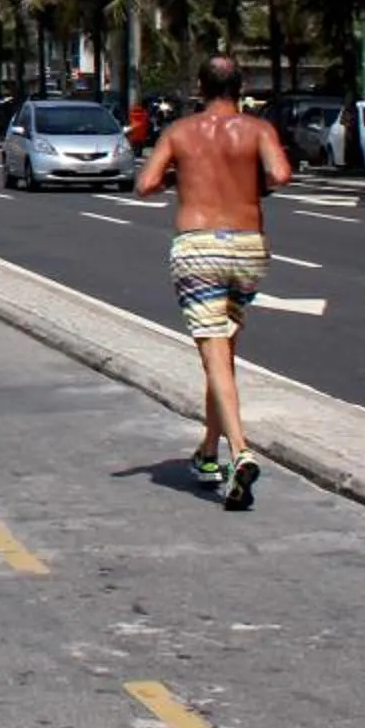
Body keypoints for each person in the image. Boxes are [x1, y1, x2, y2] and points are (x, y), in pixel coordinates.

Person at [134, 53, 289, 511]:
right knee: (223, 353)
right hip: (248, 246)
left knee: (214, 354)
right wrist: (250, 181)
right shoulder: (258, 129)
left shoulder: (180, 132)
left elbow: (145, 184)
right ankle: (207, 451)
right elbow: (280, 174)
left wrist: (179, 175)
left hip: (199, 247)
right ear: (241, 88)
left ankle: (240, 452)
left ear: (200, 88)